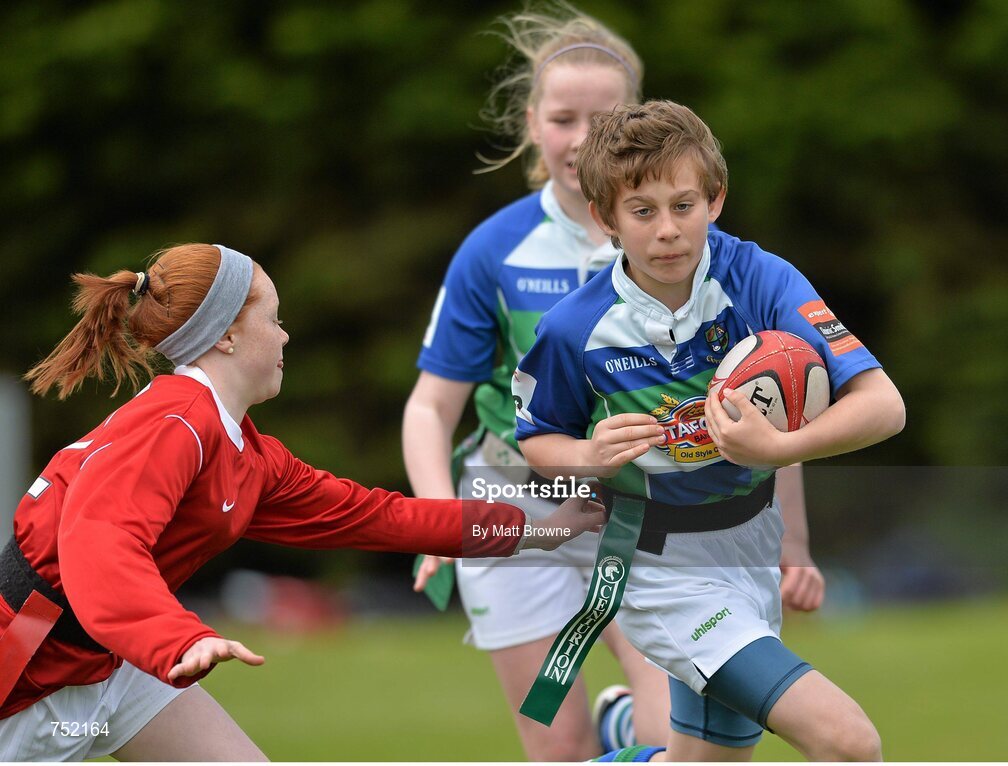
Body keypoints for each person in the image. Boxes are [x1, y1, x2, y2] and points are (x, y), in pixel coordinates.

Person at [403, 2, 824, 761]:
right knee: (558, 750)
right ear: (532, 124)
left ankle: (632, 729)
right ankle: (613, 731)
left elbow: (764, 395)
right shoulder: (493, 249)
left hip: (643, 515)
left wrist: (791, 540)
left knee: (671, 735)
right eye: (563, 118)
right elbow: (432, 407)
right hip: (520, 503)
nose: (581, 138)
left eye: (602, 119)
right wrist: (438, 517)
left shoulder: (694, 245)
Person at [0, 243, 602, 762]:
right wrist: (177, 637)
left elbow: (379, 516)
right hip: (30, 672)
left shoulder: (245, 452)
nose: (286, 335)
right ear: (227, 336)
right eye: (274, 318)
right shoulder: (175, 424)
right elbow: (98, 546)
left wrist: (539, 529)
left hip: (114, 661)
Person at [511, 100, 905, 761]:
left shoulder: (760, 281)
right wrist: (587, 454)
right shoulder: (575, 327)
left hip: (750, 548)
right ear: (607, 219)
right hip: (655, 566)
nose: (667, 230)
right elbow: (537, 441)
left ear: (715, 199)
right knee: (848, 742)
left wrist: (782, 448)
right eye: (642, 212)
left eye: (684, 205)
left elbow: (884, 405)